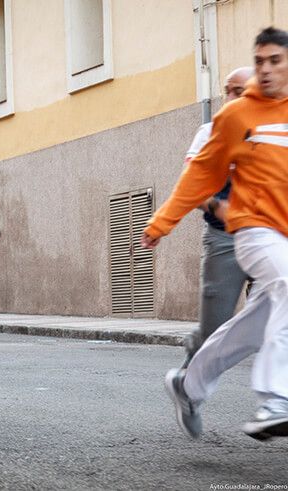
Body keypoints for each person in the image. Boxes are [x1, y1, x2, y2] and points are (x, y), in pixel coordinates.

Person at [142, 27, 288, 440]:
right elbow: (200, 175)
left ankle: (188, 385)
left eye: (275, 60)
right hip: (254, 231)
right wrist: (162, 222)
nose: (266, 70)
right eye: (260, 61)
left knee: (255, 326)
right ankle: (277, 399)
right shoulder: (235, 116)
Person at [181, 66, 254, 368]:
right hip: (224, 238)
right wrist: (219, 208)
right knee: (214, 330)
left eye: (240, 91)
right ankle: (193, 362)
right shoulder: (209, 133)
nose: (231, 97)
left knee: (276, 323)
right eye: (228, 90)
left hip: (269, 237)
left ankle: (277, 401)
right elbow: (190, 185)